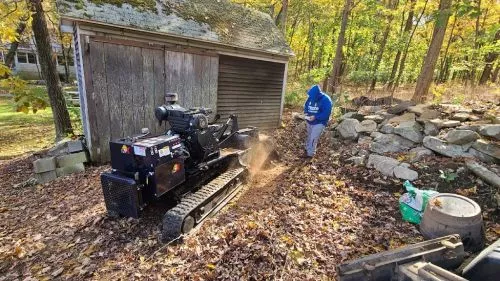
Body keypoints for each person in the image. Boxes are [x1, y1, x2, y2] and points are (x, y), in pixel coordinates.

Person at [303, 84, 333, 158]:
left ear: (317, 94)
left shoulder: (326, 100)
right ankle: (307, 150)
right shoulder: (310, 97)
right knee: (309, 136)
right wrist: (306, 112)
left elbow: (326, 113)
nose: (311, 97)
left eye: (312, 96)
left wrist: (316, 117)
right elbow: (306, 106)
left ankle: (310, 154)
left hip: (319, 122)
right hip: (309, 121)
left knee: (313, 138)